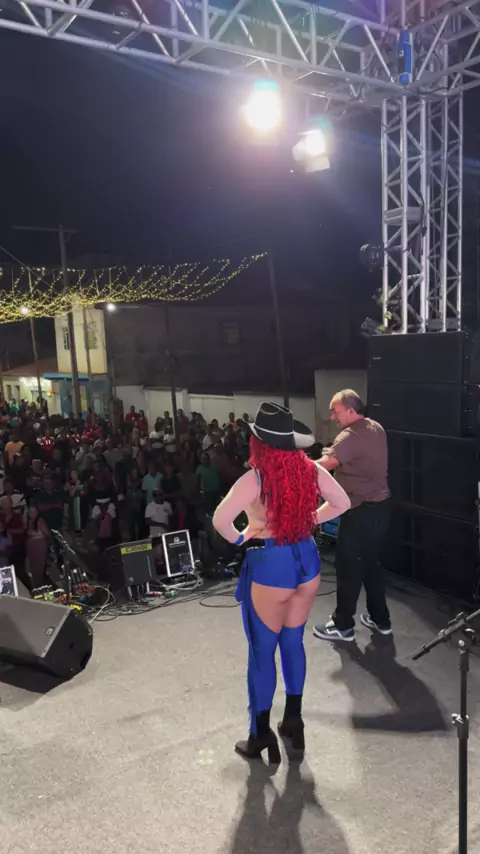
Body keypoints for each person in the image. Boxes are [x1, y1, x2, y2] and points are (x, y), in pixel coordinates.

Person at [213, 402, 350, 762]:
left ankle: (260, 734)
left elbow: (221, 520)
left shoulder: (255, 479)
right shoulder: (309, 469)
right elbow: (342, 502)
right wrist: (310, 520)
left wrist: (243, 537)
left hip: (271, 564)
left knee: (262, 653)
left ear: (258, 441)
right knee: (293, 642)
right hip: (306, 559)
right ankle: (293, 722)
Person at [313, 389, 392, 643]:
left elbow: (325, 465)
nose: (332, 417)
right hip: (380, 510)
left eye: (335, 411)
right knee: (370, 565)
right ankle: (381, 620)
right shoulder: (375, 427)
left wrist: (295, 466)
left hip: (360, 512)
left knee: (348, 566)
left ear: (349, 409)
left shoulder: (350, 435)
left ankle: (343, 625)